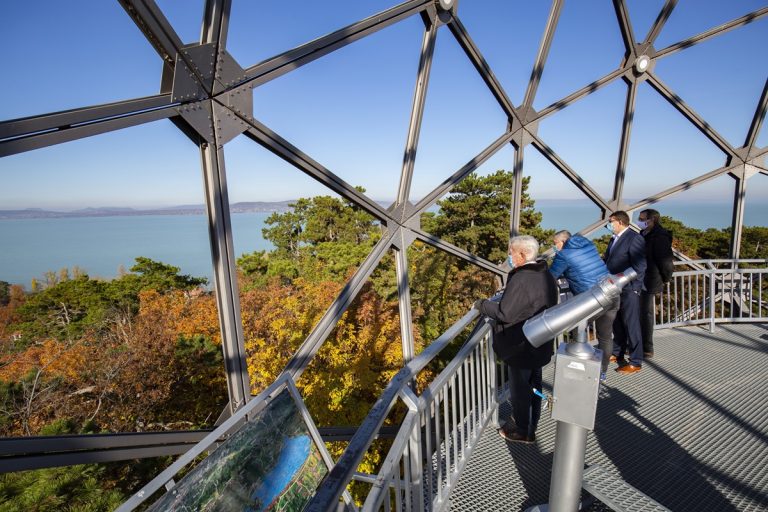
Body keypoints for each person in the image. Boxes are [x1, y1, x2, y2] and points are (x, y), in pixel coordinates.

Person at [474, 235, 558, 443]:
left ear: (521, 254)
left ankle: (522, 431)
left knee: (520, 389)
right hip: (539, 340)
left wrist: (482, 305)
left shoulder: (522, 278)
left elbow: (506, 313)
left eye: (511, 253)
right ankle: (532, 421)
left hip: (521, 344)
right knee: (534, 384)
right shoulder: (544, 272)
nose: (509, 257)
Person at [549, 230, 619, 382]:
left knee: (576, 330)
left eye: (555, 244)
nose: (554, 247)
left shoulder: (564, 255)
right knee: (605, 336)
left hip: (592, 299)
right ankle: (602, 372)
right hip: (611, 292)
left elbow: (550, 276)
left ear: (563, 242)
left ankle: (577, 369)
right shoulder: (589, 247)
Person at [603, 211, 646, 374]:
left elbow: (640, 266)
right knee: (617, 322)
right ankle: (617, 351)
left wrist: (635, 288)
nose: (609, 225)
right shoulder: (614, 239)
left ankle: (635, 361)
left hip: (629, 289)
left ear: (620, 222)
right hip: (615, 288)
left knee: (631, 324)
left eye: (611, 222)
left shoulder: (634, 238)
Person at [637, 208, 674, 358]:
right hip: (643, 278)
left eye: (641, 219)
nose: (639, 222)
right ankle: (639, 344)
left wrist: (665, 278)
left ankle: (647, 347)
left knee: (646, 314)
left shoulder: (659, 237)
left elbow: (665, 261)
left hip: (650, 279)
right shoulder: (645, 234)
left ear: (651, 220)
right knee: (640, 313)